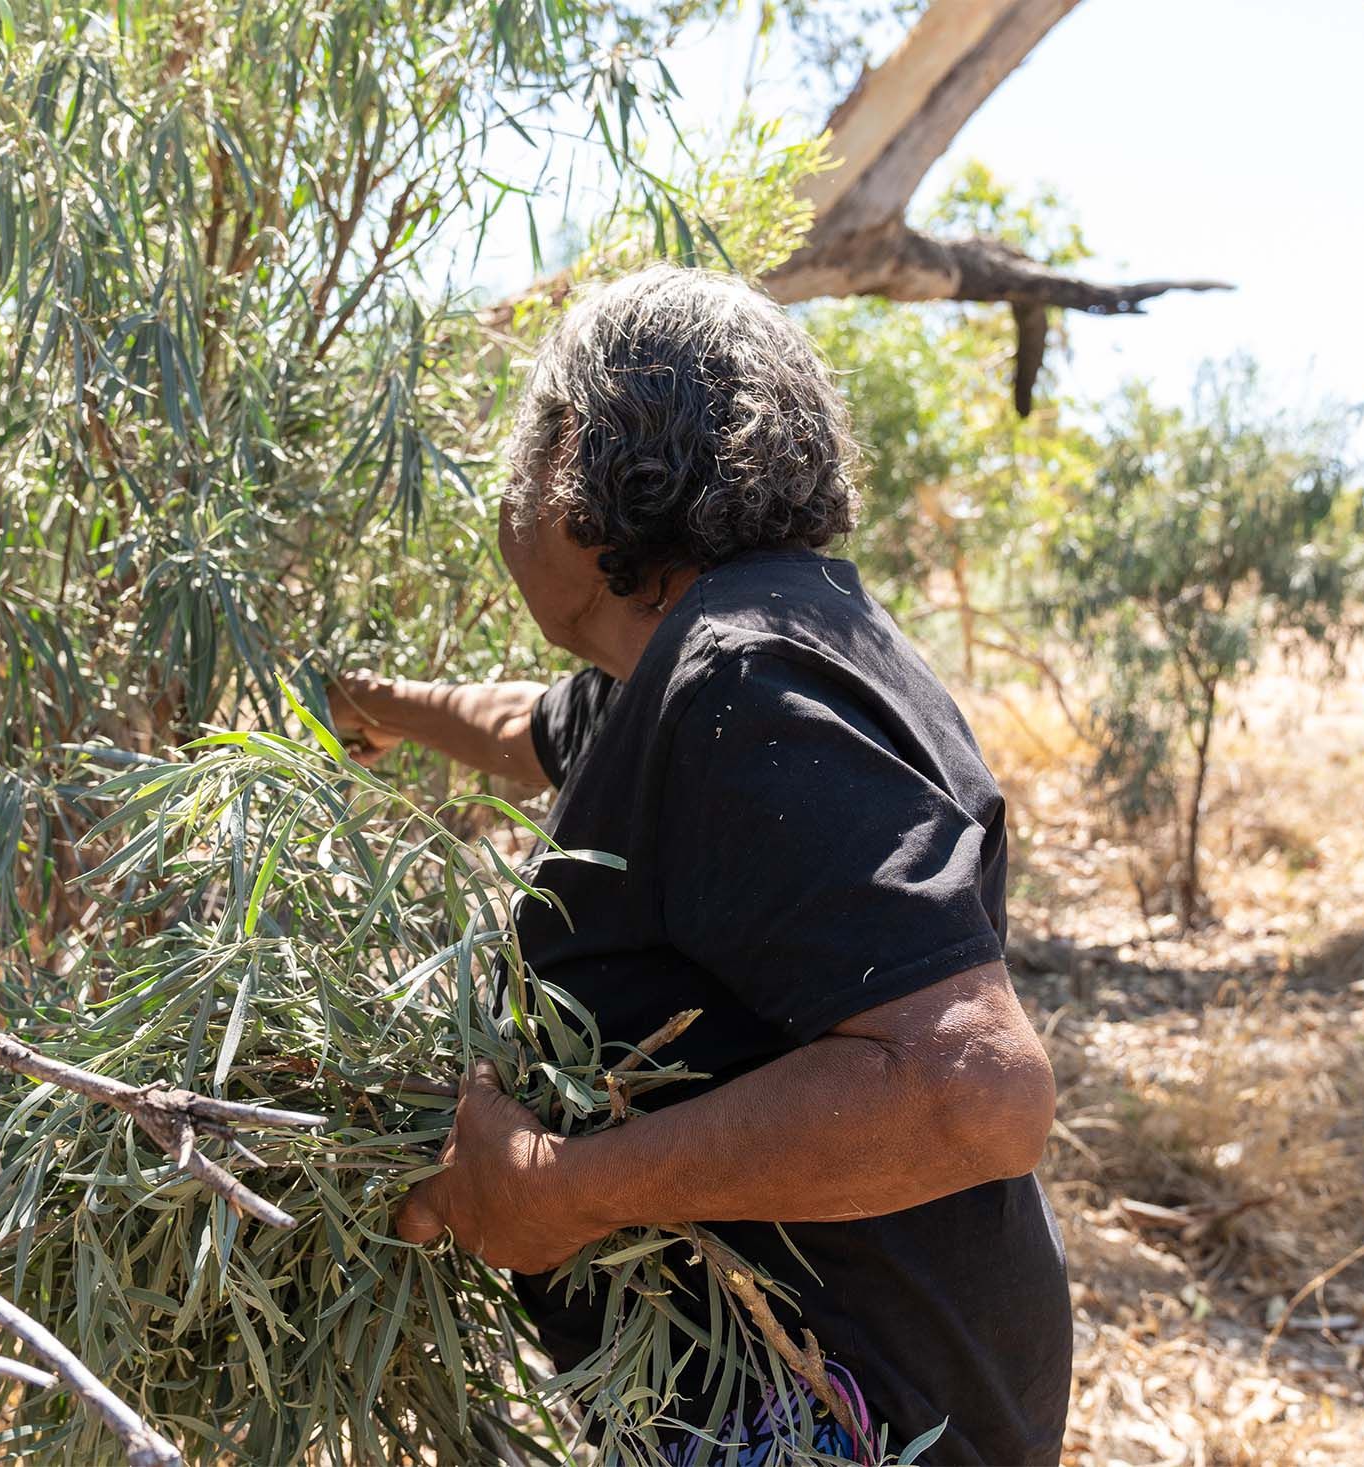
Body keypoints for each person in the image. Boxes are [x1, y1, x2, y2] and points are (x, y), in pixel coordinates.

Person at [326, 265, 1071, 1465]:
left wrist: (567, 1188)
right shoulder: (748, 648)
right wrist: (385, 708)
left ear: (575, 455)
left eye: (522, 441)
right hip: (888, 1388)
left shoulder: (739, 679)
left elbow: (972, 1092)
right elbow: (534, 727)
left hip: (838, 1423)